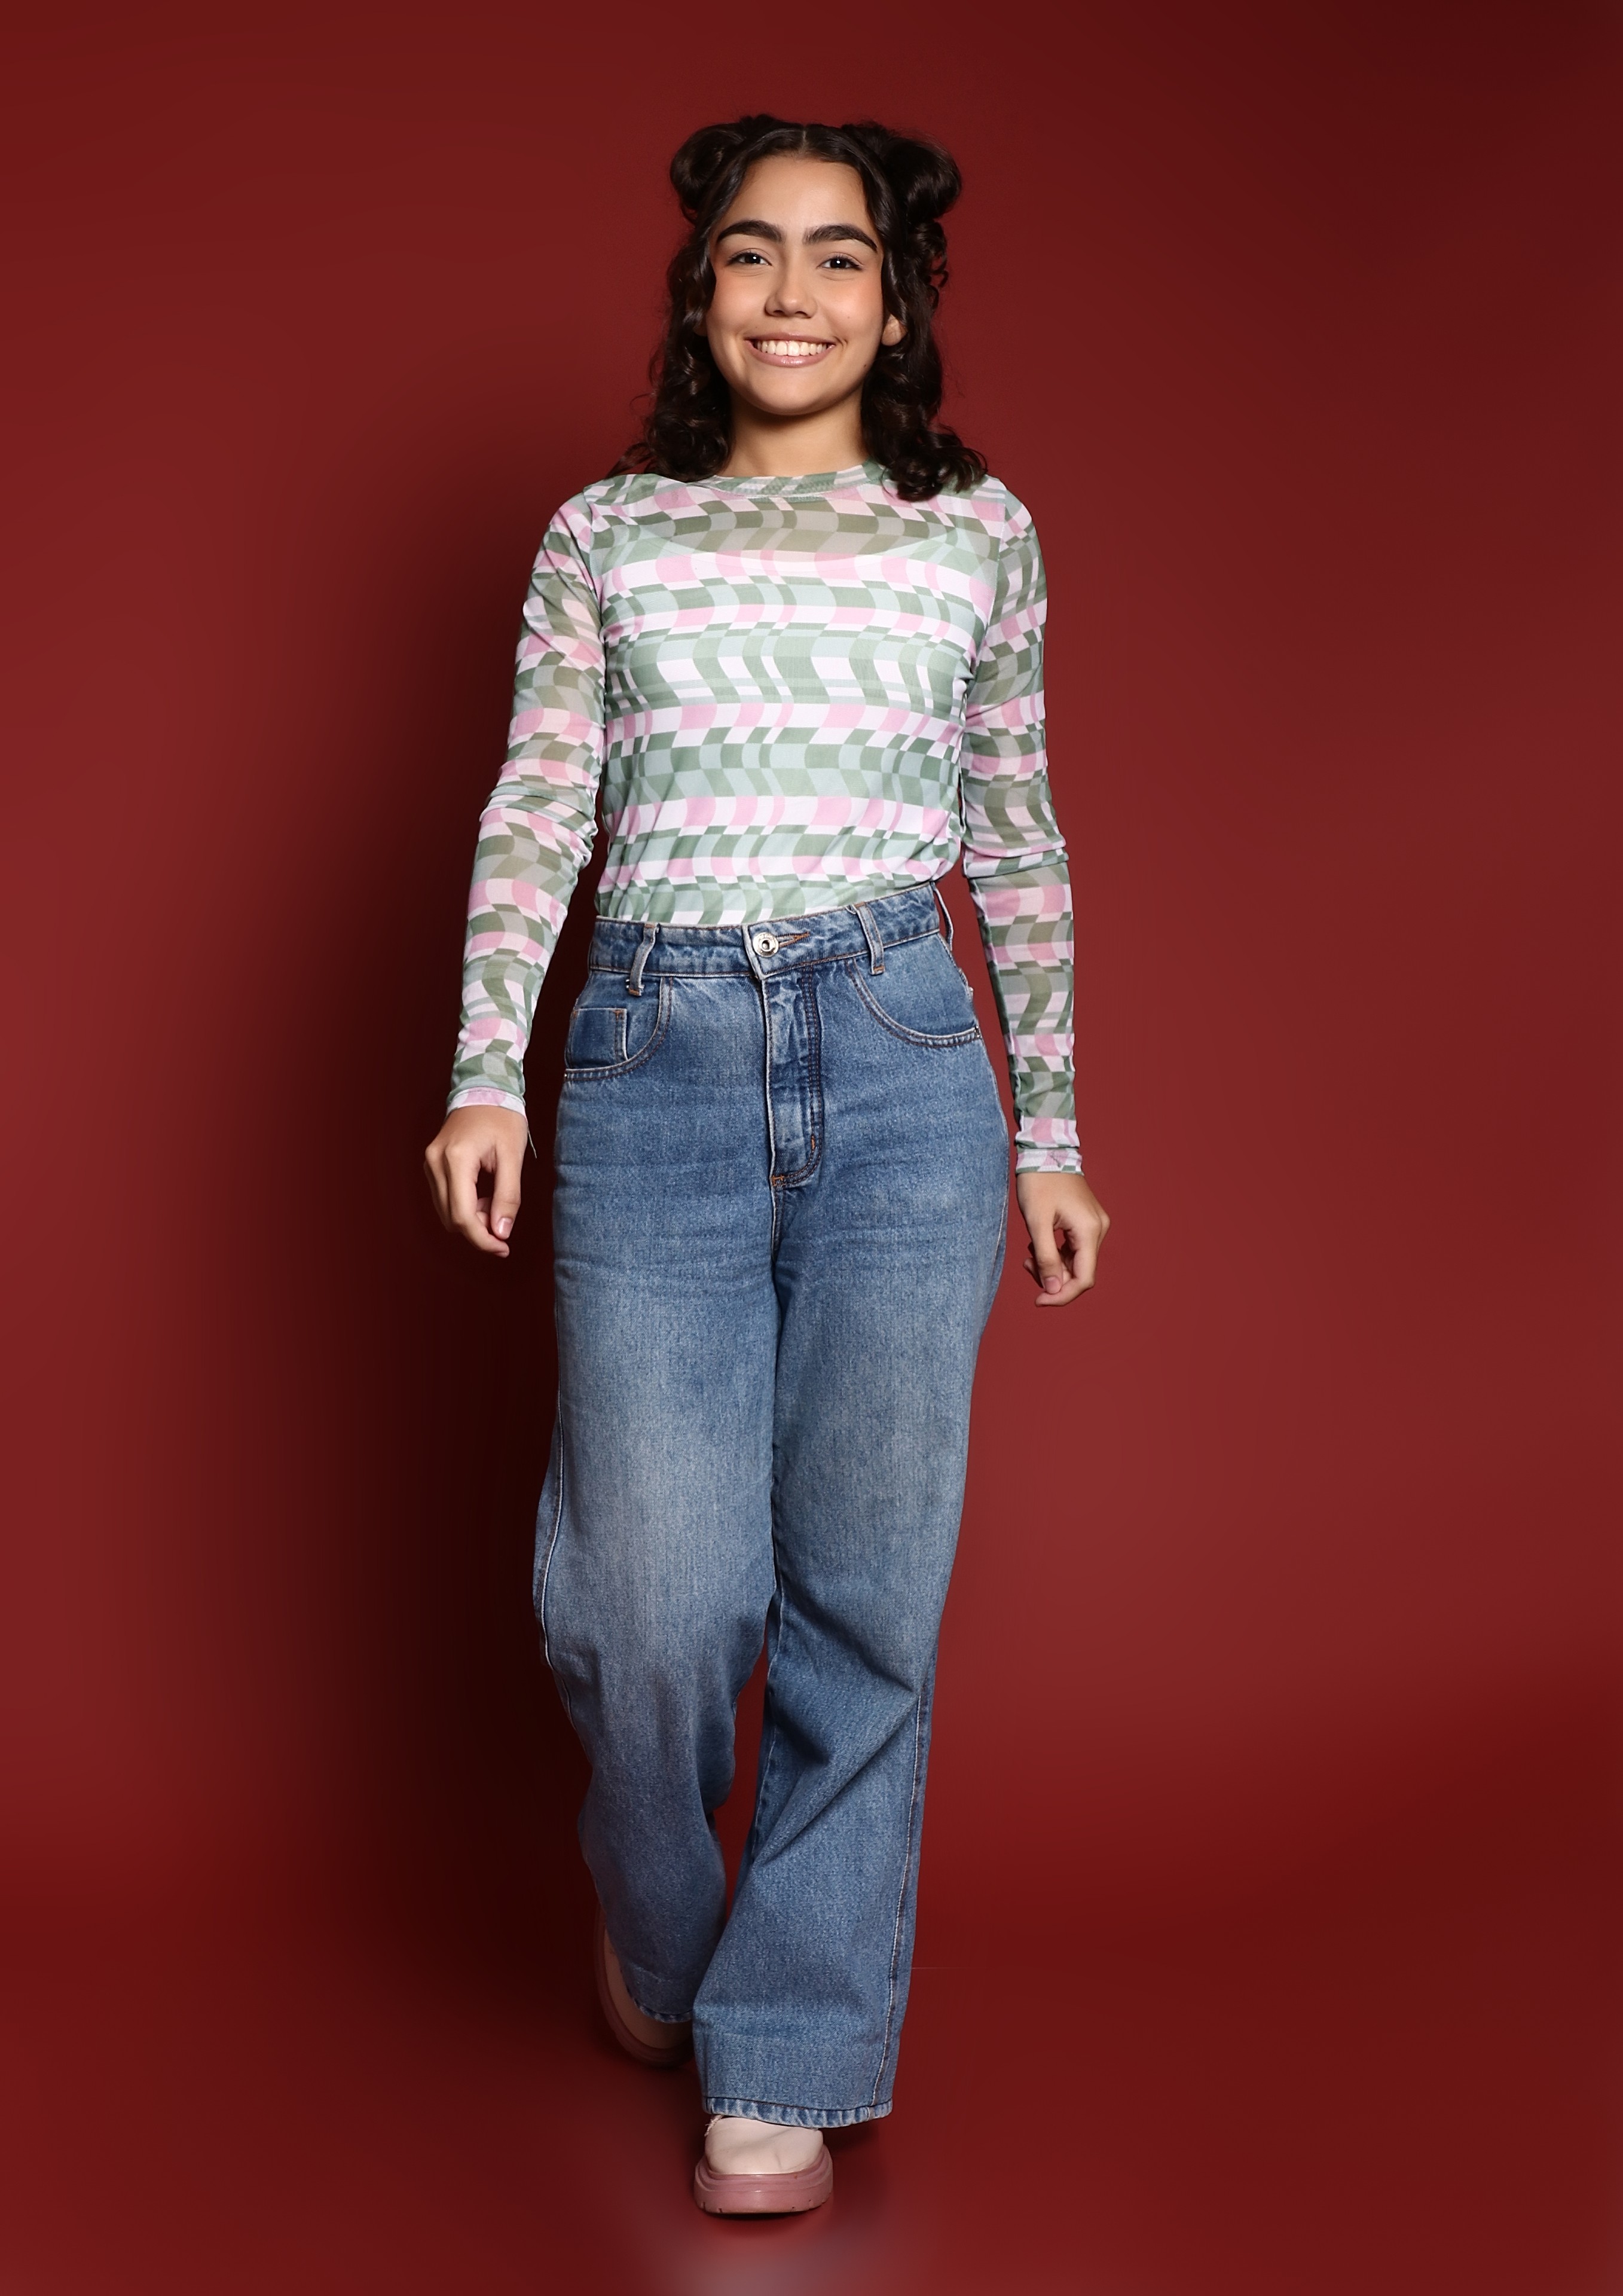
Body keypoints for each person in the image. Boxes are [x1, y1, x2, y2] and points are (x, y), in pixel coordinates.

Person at [423, 114, 1108, 2216]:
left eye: (836, 257)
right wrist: (485, 1073)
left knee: (864, 1595)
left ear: (895, 308)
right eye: (748, 252)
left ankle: (786, 2052)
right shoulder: (606, 534)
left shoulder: (972, 534)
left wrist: (1052, 1128)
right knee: (649, 1600)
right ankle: (655, 1911)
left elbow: (1015, 831)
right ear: (698, 291)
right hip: (654, 1054)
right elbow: (537, 804)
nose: (788, 292)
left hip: (903, 1056)